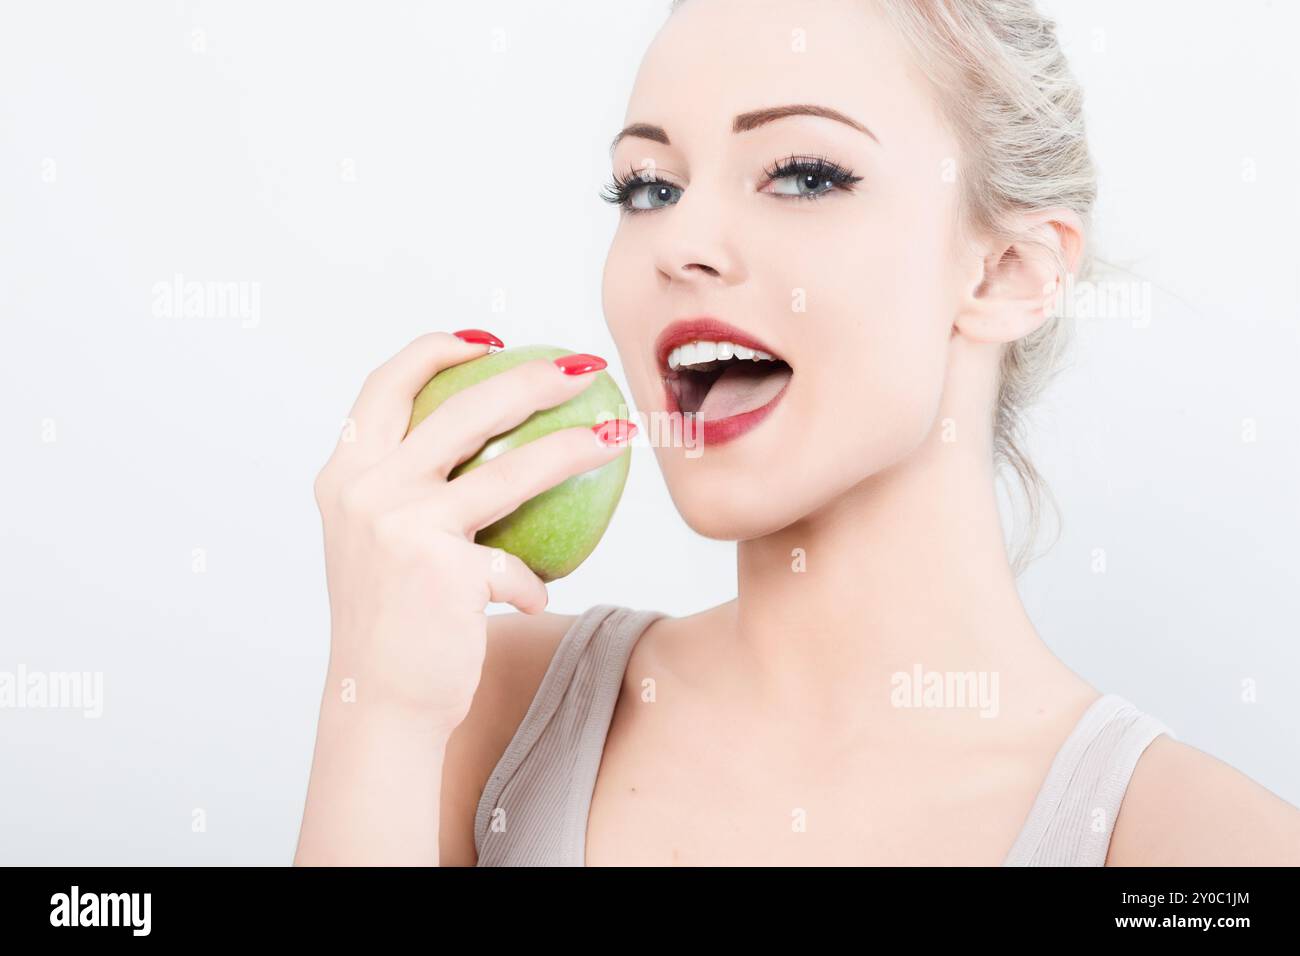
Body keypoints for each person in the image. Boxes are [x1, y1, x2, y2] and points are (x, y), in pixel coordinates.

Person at [294, 0, 1300, 866]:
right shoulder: (484, 709)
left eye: (805, 173)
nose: (678, 241)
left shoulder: (1196, 844)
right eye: (648, 186)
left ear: (1004, 274)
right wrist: (377, 708)